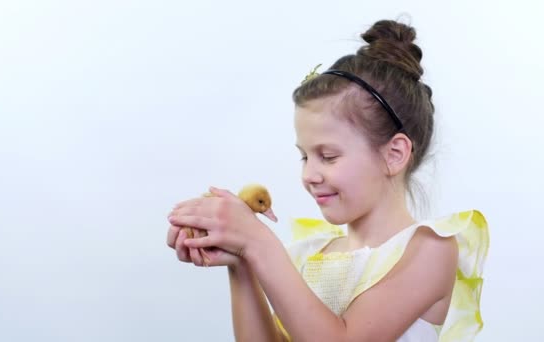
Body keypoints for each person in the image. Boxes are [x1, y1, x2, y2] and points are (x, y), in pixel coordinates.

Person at [166, 19, 489, 342]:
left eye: (329, 157)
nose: (308, 175)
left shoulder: (430, 249)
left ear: (394, 154)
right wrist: (241, 262)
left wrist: (258, 242)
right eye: (305, 156)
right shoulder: (311, 255)